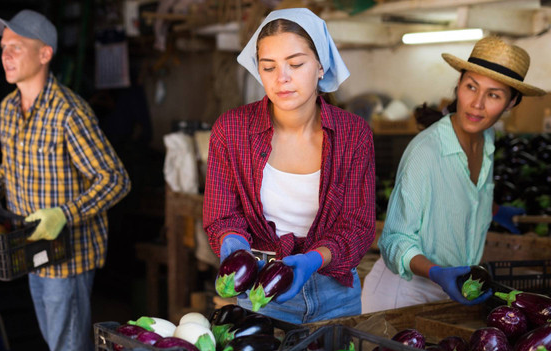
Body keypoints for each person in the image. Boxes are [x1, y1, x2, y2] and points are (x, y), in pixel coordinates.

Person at [0, 9, 131, 351]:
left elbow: (116, 179)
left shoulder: (69, 112)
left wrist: (64, 214)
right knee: (56, 345)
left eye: (16, 46)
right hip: (30, 248)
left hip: (69, 256)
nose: (5, 54)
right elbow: (12, 168)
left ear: (44, 54)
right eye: (3, 47)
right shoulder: (7, 109)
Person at [203, 8, 375, 324]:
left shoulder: (353, 134)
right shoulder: (232, 130)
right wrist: (233, 247)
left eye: (295, 64)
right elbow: (222, 214)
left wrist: (312, 260)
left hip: (337, 294)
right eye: (269, 67)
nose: (282, 78)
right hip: (262, 291)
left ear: (321, 66)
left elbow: (358, 224)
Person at [361, 37, 545, 313]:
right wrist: (436, 273)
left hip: (453, 294)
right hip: (403, 296)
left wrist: (493, 210)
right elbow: (394, 240)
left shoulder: (487, 140)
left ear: (511, 103)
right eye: (471, 87)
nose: (477, 104)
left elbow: (459, 196)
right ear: (458, 84)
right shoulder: (426, 151)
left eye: (493, 95)